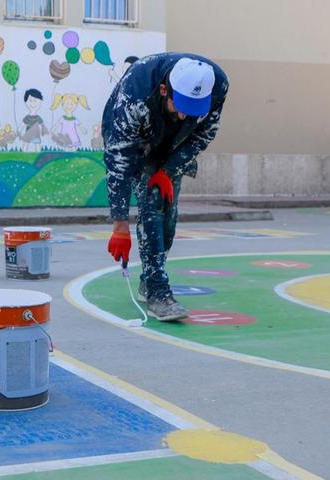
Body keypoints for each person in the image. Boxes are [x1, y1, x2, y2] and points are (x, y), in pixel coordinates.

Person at [103, 53, 228, 321]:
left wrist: (168, 171)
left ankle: (150, 279)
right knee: (151, 201)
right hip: (137, 141)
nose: (184, 115)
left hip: (174, 146)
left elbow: (203, 135)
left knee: (168, 215)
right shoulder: (135, 94)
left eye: (192, 110)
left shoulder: (217, 85)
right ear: (164, 90)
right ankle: (158, 292)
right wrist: (120, 225)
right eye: (180, 105)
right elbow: (119, 161)